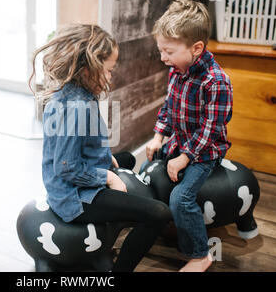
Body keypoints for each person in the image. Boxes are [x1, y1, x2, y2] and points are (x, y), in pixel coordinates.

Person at [29, 24, 171, 272]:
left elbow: (77, 148)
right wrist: (106, 177)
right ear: (87, 69)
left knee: (125, 158)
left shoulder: (74, 92)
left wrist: (106, 158)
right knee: (159, 214)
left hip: (73, 176)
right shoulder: (76, 109)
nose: (110, 78)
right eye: (108, 71)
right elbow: (66, 167)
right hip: (73, 197)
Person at [142, 0, 233, 272]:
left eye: (168, 51)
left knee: (180, 197)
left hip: (205, 151)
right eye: (161, 50)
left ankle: (200, 254)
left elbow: (211, 129)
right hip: (180, 142)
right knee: (148, 170)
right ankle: (163, 223)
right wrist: (159, 135)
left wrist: (185, 157)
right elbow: (169, 107)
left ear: (196, 48)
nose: (163, 58)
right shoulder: (177, 71)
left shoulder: (216, 81)